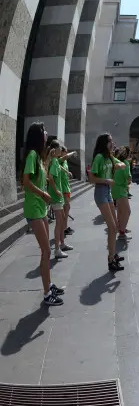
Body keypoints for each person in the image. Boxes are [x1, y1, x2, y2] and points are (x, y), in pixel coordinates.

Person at [22, 123, 64, 306]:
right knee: (46, 250)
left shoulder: (39, 156)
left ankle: (49, 284)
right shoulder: (32, 155)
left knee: (46, 252)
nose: (47, 133)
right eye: (44, 131)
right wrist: (43, 193)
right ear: (38, 136)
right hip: (34, 208)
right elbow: (25, 182)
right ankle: (47, 294)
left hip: (40, 208)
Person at [88, 133, 125, 272]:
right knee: (112, 226)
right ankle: (111, 259)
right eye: (109, 141)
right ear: (104, 143)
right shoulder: (99, 157)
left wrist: (120, 165)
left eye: (112, 140)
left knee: (114, 226)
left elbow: (119, 163)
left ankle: (113, 254)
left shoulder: (110, 157)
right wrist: (106, 180)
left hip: (108, 192)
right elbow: (91, 178)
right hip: (101, 192)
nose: (112, 143)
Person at [111, 147, 132, 241]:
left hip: (115, 188)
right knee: (127, 211)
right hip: (121, 189)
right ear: (127, 155)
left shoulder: (116, 162)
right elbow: (129, 179)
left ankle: (121, 228)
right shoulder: (126, 164)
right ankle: (122, 232)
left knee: (120, 211)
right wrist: (128, 184)